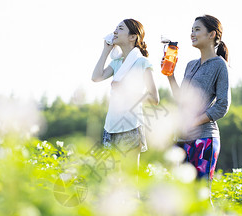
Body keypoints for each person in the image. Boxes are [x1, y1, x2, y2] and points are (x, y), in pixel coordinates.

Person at [166, 14, 231, 183]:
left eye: (197, 29)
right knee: (181, 195)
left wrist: (193, 122)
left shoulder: (219, 64)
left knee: (200, 194)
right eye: (191, 30)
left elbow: (222, 105)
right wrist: (170, 75)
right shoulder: (190, 65)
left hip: (204, 140)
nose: (192, 34)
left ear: (212, 34)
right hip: (181, 138)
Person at [92, 19, 159, 174]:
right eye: (115, 28)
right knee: (110, 180)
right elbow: (96, 77)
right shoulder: (116, 63)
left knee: (130, 180)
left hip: (131, 127)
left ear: (132, 37)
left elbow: (154, 99)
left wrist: (128, 90)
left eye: (120, 28)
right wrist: (106, 51)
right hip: (110, 127)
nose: (115, 31)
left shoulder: (142, 62)